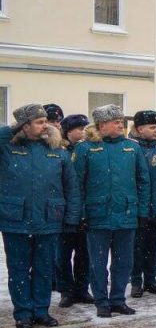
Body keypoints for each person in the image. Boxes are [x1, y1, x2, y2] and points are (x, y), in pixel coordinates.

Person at [1, 104, 81, 328]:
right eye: (39, 122)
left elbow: (71, 188)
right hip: (16, 220)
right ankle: (23, 313)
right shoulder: (7, 148)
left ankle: (41, 311)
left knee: (44, 269)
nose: (45, 125)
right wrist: (12, 129)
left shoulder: (57, 150)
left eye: (45, 121)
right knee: (18, 270)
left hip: (49, 219)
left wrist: (72, 217)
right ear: (24, 126)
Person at [73, 105, 153, 317]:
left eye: (121, 121)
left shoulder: (132, 148)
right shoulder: (85, 148)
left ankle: (118, 300)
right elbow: (77, 185)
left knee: (124, 262)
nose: (120, 125)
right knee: (98, 263)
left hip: (126, 213)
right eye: (116, 121)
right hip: (97, 215)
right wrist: (81, 214)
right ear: (101, 125)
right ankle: (101, 302)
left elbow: (143, 181)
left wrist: (142, 211)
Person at [129, 110, 156, 299]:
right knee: (136, 248)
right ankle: (136, 282)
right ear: (139, 129)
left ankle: (150, 280)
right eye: (152, 127)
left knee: (153, 246)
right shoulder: (130, 149)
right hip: (138, 208)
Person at [56, 113, 92, 307]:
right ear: (68, 132)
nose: (84, 132)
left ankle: (82, 289)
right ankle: (66, 291)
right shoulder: (59, 150)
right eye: (80, 129)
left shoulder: (88, 149)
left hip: (84, 210)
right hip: (63, 211)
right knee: (62, 255)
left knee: (84, 253)